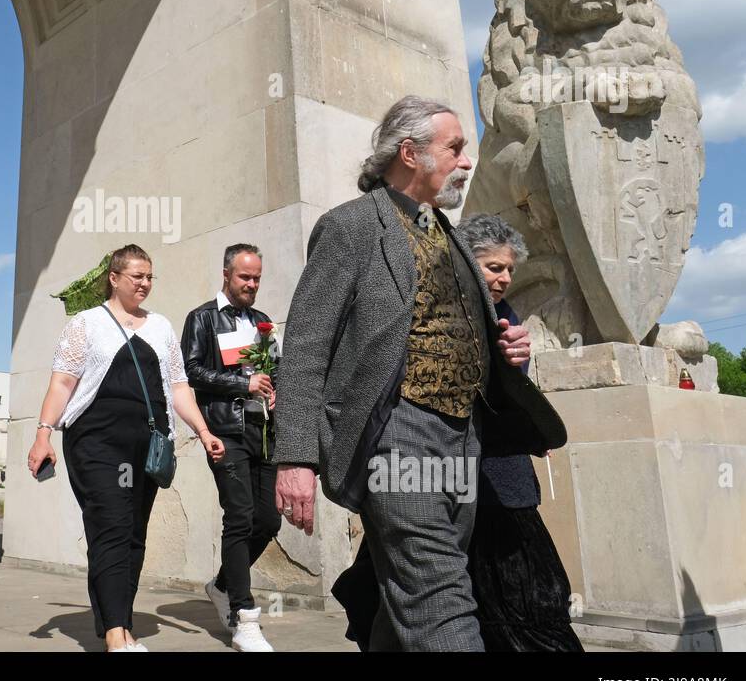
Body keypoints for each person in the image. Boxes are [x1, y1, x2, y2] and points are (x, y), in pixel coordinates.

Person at [274, 95, 566, 651]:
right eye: (454, 148)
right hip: (396, 436)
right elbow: (308, 345)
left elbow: (464, 335)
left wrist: (506, 350)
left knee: (412, 591)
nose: (466, 161)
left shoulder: (453, 238)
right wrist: (294, 457)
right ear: (409, 153)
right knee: (440, 597)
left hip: (464, 437)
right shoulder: (351, 228)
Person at [333, 214, 583, 652]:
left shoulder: (507, 320)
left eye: (509, 270)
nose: (505, 279)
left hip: (498, 485)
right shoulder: (422, 308)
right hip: (426, 480)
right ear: (464, 262)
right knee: (407, 607)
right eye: (494, 267)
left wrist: (513, 365)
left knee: (524, 611)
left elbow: (501, 401)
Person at [27, 244, 225, 652]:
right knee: (111, 527)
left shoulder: (161, 327)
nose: (145, 283)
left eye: (150, 276)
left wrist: (203, 431)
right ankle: (117, 634)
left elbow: (179, 386)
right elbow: (62, 383)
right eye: (137, 276)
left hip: (148, 446)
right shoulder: (87, 324)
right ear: (114, 278)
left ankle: (120, 622)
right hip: (96, 441)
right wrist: (44, 432)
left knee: (133, 535)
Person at [181, 243, 279, 651]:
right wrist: (242, 384)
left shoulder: (263, 321)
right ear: (227, 275)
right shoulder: (202, 318)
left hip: (263, 431)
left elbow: (275, 367)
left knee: (268, 522)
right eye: (245, 277)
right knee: (238, 516)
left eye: (257, 278)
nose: (252, 284)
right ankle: (245, 618)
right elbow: (190, 370)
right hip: (225, 430)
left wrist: (276, 390)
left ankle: (221, 585)